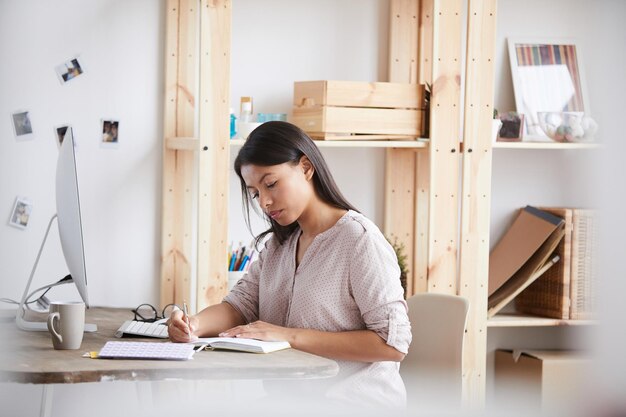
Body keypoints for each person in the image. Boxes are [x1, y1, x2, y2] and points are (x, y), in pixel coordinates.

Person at [168, 121, 411, 407]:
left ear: (306, 167)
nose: (265, 202)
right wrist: (194, 325)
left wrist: (288, 337)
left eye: (271, 184)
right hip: (289, 404)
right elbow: (240, 306)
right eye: (256, 193)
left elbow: (392, 344)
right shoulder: (279, 245)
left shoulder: (359, 240)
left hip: (354, 404)